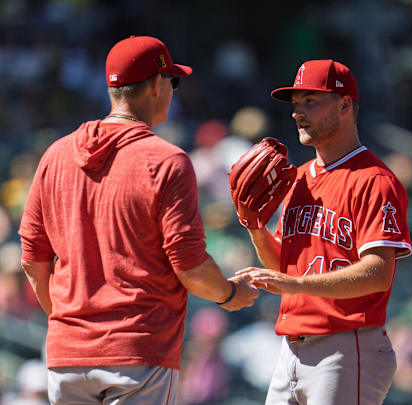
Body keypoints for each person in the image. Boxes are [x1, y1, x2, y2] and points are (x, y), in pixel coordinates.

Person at [18, 35, 258, 405]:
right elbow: (190, 266)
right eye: (172, 81)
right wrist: (228, 294)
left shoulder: (55, 155)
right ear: (156, 85)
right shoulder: (166, 160)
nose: (172, 90)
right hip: (137, 354)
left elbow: (33, 262)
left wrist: (69, 323)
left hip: (67, 357)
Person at [234, 59, 412, 405]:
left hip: (345, 347)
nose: (297, 112)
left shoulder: (374, 181)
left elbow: (378, 273)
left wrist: (296, 284)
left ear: (345, 104)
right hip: (291, 350)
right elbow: (285, 267)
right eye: (296, 103)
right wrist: (256, 230)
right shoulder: (298, 178)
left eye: (310, 102)